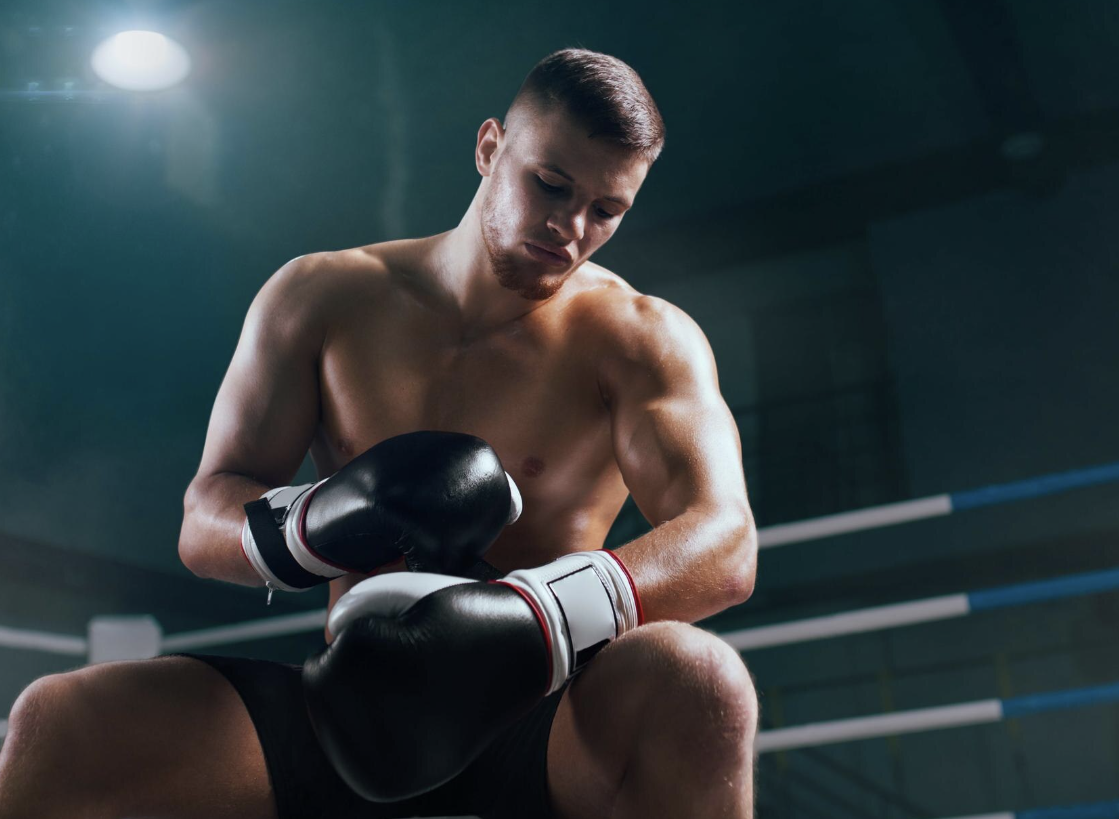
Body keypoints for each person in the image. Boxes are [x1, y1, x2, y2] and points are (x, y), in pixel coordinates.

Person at [0, 48, 760, 819]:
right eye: (551, 185)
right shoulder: (323, 297)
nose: (570, 228)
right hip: (346, 704)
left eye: (606, 211)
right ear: (490, 146)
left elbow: (726, 543)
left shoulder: (639, 339)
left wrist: (536, 618)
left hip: (540, 711)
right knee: (61, 726)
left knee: (699, 681)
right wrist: (313, 523)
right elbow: (204, 520)